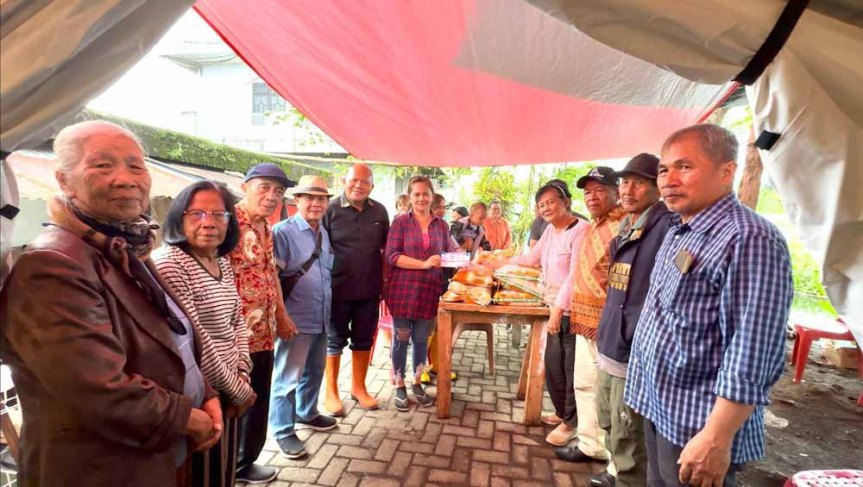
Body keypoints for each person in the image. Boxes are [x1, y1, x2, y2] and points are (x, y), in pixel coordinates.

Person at [0, 121, 221, 487]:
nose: (125, 178)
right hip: (102, 470)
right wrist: (187, 417)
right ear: (64, 180)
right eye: (103, 165)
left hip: (157, 457)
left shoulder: (126, 245)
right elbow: (99, 389)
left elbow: (173, 336)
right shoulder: (52, 264)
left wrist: (207, 393)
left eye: (136, 166)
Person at [625, 124, 793, 486]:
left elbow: (753, 349)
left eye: (684, 167)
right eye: (664, 169)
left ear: (726, 171)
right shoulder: (678, 229)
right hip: (660, 407)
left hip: (697, 424)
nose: (669, 180)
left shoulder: (750, 238)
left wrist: (716, 437)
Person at [154, 181, 255, 487]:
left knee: (223, 469)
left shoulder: (220, 260)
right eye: (196, 213)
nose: (208, 222)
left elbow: (236, 320)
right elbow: (195, 340)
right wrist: (237, 389)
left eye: (218, 214)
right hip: (199, 393)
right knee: (199, 474)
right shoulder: (171, 263)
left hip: (230, 385)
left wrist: (243, 370)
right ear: (178, 218)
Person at [484, 180, 587, 447]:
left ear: (566, 202)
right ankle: (562, 413)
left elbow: (575, 276)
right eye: (542, 205)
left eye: (551, 202)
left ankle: (572, 424)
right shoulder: (551, 232)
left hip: (572, 310)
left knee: (570, 367)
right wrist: (497, 263)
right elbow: (531, 259)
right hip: (552, 305)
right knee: (554, 365)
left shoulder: (581, 230)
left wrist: (558, 311)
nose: (546, 208)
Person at [590, 154, 671, 487]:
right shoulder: (626, 227)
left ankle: (626, 478)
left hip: (633, 352)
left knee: (630, 437)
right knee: (608, 421)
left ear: (657, 188)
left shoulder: (666, 227)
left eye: (639, 182)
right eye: (624, 182)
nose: (628, 189)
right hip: (610, 343)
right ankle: (615, 473)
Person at [229, 163, 299, 484]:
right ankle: (228, 467)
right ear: (245, 187)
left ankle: (245, 464)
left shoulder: (267, 227)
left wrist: (282, 317)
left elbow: (271, 274)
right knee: (234, 403)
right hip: (234, 340)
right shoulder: (226, 223)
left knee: (258, 398)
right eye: (265, 188)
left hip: (264, 333)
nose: (272, 197)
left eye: (279, 191)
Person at [555, 166, 625, 465]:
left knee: (610, 396)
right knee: (583, 385)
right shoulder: (594, 225)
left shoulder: (625, 225)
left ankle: (614, 460)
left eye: (599, 191)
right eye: (588, 192)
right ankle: (588, 444)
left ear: (616, 192)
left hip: (607, 326)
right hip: (583, 322)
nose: (592, 197)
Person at [270, 175, 339, 459]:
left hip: (321, 315)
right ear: (296, 200)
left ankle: (307, 413)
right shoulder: (282, 232)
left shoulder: (323, 231)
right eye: (309, 197)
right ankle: (283, 430)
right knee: (287, 378)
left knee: (314, 370)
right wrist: (282, 317)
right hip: (295, 318)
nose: (315, 203)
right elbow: (273, 277)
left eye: (321, 198)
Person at [384, 175, 459, 411]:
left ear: (432, 196)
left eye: (425, 194)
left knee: (420, 340)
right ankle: (398, 385)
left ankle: (417, 383)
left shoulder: (442, 225)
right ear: (409, 196)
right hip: (403, 291)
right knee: (400, 340)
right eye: (416, 194)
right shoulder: (400, 223)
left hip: (429, 291)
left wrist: (466, 262)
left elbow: (447, 254)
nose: (421, 198)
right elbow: (392, 256)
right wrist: (424, 263)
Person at [322, 164, 389, 415]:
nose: (358, 185)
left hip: (369, 290)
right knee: (334, 341)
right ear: (343, 181)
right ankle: (331, 392)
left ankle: (359, 388)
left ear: (372, 186)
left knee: (363, 339)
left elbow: (385, 249)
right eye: (354, 180)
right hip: (337, 288)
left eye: (365, 182)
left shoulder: (380, 211)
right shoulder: (330, 210)